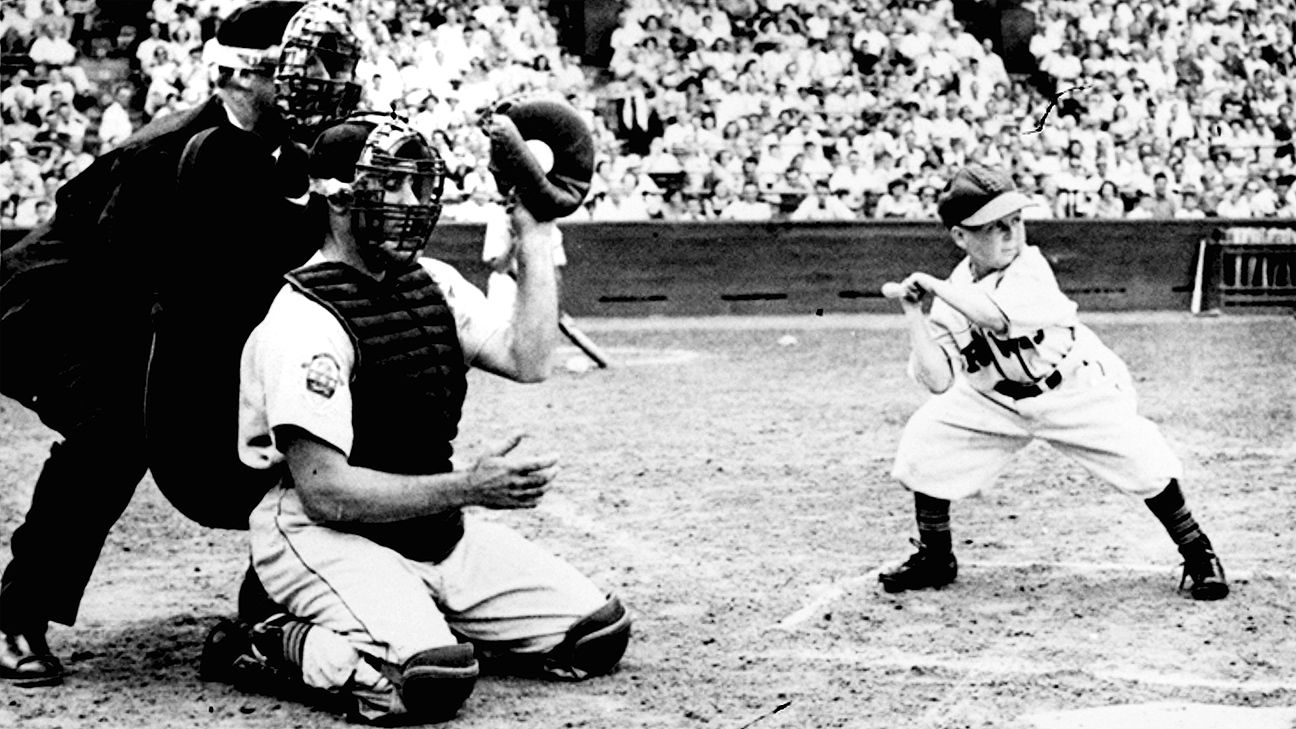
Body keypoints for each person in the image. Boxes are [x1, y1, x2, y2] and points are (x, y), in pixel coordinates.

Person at [200, 114, 630, 724]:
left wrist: (535, 233)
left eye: (416, 184)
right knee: (427, 683)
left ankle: (413, 613)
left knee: (595, 635)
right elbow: (325, 493)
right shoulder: (303, 323)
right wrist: (472, 487)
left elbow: (528, 359)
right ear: (341, 199)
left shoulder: (433, 282)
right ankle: (263, 640)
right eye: (394, 185)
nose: (414, 201)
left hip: (429, 527)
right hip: (328, 533)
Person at [0, 0, 362, 686]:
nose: (321, 80)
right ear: (243, 78)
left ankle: (277, 600)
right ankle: (14, 615)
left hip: (156, 307)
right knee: (111, 430)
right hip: (67, 307)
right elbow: (121, 274)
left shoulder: (281, 149)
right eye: (301, 67)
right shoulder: (163, 155)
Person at [877, 164, 1228, 602]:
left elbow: (996, 317)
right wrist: (915, 315)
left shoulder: (1031, 267)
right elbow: (937, 380)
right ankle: (935, 556)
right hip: (993, 400)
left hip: (1072, 389)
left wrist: (933, 286)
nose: (1011, 234)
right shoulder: (950, 297)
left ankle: (1198, 551)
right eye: (994, 227)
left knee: (1144, 461)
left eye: (1015, 221)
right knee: (925, 440)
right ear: (960, 236)